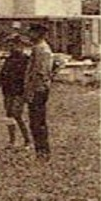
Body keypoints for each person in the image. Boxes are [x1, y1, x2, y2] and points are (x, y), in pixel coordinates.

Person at [0, 32, 32, 149]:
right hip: (7, 91)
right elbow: (2, 75)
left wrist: (28, 90)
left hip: (20, 91)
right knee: (9, 115)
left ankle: (27, 140)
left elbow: (30, 77)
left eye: (14, 45)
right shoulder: (9, 60)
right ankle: (11, 140)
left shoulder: (26, 60)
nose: (12, 48)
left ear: (20, 45)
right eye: (10, 46)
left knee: (17, 114)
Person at [25, 23, 55, 159]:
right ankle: (40, 150)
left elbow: (39, 73)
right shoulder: (37, 48)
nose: (30, 35)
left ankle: (42, 151)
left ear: (39, 34)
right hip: (37, 88)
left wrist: (30, 91)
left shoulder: (42, 50)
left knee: (37, 121)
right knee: (35, 121)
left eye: (32, 32)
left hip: (38, 89)